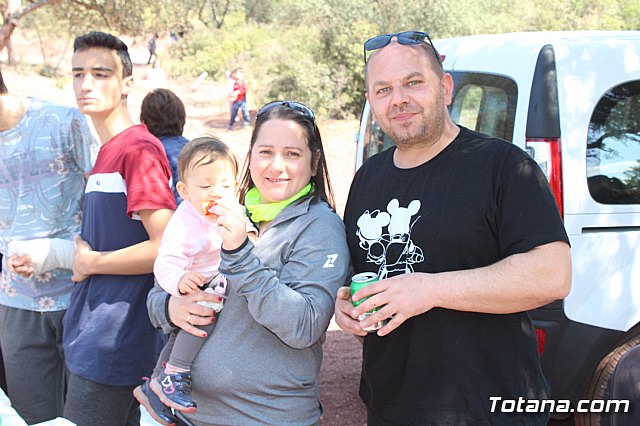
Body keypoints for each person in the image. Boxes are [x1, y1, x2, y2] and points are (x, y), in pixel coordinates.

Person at [334, 31, 572, 425]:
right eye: (383, 90)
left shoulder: (503, 167)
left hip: (488, 410)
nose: (399, 99)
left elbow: (553, 274)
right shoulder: (368, 177)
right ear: (372, 102)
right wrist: (349, 308)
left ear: (445, 88)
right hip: (390, 408)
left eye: (413, 82)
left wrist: (430, 288)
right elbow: (367, 274)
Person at [144, 100, 350, 425]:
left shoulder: (319, 228)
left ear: (314, 163)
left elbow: (304, 326)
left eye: (292, 154)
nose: (276, 166)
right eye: (265, 152)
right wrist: (171, 307)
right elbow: (158, 293)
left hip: (264, 417)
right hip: (189, 414)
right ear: (250, 157)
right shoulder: (227, 209)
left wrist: (240, 252)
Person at [63, 31, 176, 426]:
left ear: (127, 82)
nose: (86, 84)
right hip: (94, 337)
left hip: (114, 342)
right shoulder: (107, 152)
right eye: (78, 74)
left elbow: (165, 247)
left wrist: (91, 263)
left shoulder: (138, 151)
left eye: (100, 73)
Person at [0, 69, 97, 424]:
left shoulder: (61, 121)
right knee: (33, 418)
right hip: (15, 303)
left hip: (81, 297)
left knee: (88, 415)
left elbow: (107, 200)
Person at [133, 137, 253, 422]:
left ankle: (156, 384)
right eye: (205, 186)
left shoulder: (230, 207)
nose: (217, 193)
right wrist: (180, 282)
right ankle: (175, 374)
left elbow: (244, 227)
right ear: (185, 191)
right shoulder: (183, 223)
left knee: (189, 326)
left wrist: (249, 234)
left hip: (209, 278)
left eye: (226, 185)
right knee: (200, 317)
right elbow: (165, 262)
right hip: (181, 279)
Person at [140, 88, 189, 204]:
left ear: (144, 122)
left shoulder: (153, 154)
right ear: (182, 118)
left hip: (174, 218)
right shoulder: (196, 148)